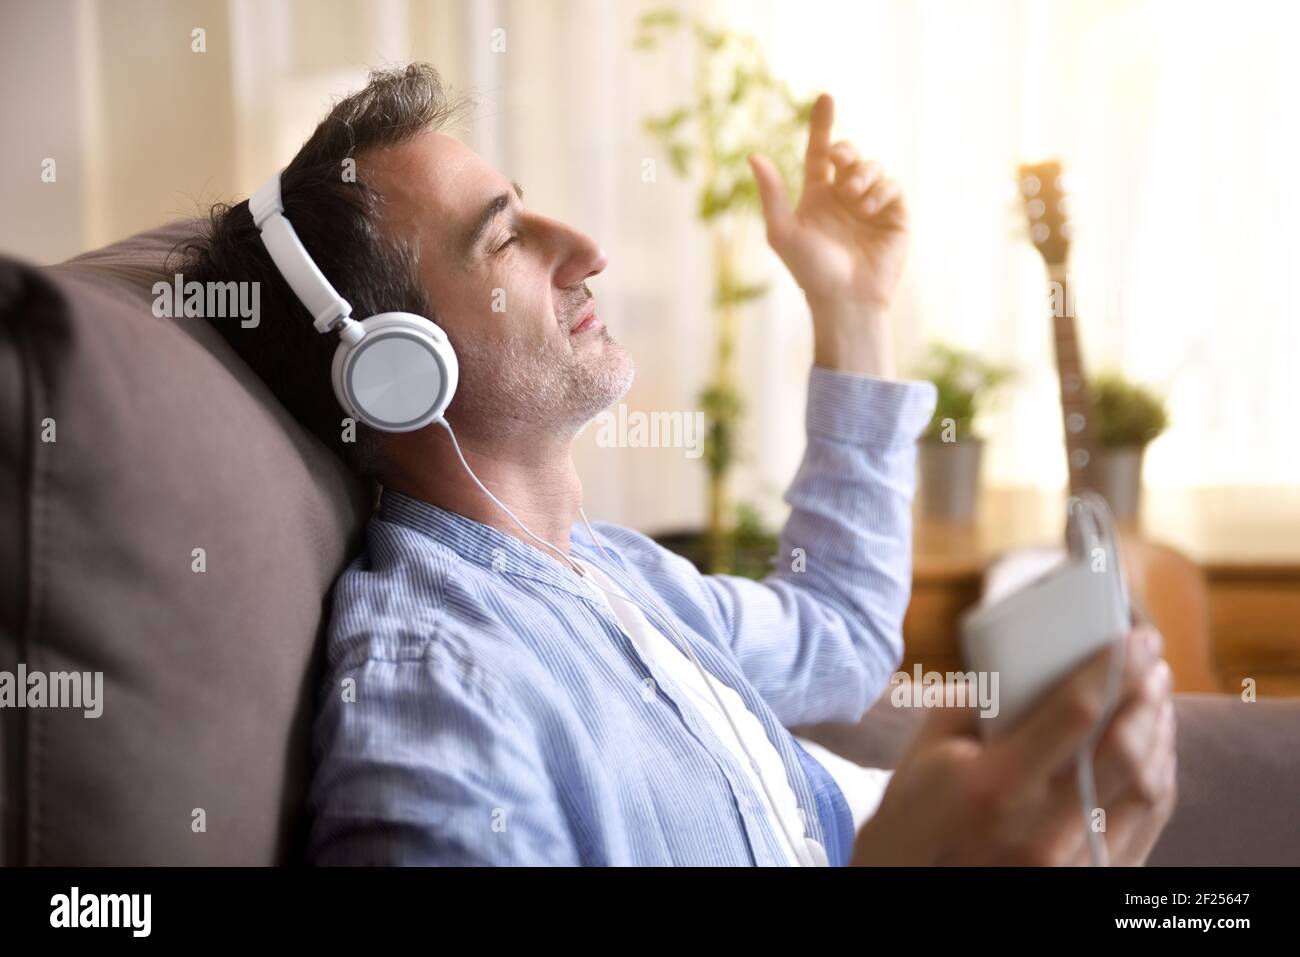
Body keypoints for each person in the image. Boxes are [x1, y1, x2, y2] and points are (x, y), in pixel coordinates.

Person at [184, 64, 1176, 865]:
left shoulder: (614, 571)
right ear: (398, 373)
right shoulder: (439, 702)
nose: (587, 249)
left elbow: (837, 638)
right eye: (505, 241)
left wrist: (853, 309)